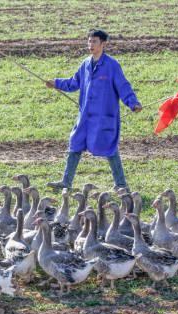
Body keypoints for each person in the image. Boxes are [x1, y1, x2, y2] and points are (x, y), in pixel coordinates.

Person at [45, 29, 142, 192]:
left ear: (103, 44)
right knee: (75, 144)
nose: (91, 45)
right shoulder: (85, 64)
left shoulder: (112, 65)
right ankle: (66, 182)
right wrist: (55, 83)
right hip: (85, 117)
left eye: (94, 41)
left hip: (104, 117)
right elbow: (73, 83)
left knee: (110, 148)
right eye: (89, 41)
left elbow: (123, 86)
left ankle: (121, 184)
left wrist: (133, 103)